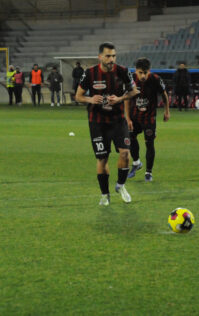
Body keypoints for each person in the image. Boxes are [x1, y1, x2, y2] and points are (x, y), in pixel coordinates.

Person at [75, 42, 139, 206]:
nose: (111, 59)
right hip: (97, 122)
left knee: (125, 153)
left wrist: (120, 98)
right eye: (108, 56)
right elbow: (78, 96)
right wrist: (90, 99)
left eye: (114, 56)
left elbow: (134, 91)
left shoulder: (123, 71)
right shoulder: (89, 73)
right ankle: (105, 194)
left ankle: (121, 186)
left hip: (118, 120)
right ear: (100, 57)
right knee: (102, 159)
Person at [125, 57, 170, 182]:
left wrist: (167, 111)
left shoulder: (155, 79)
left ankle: (148, 172)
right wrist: (127, 118)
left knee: (149, 144)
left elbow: (164, 95)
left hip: (149, 118)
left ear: (149, 71)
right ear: (136, 71)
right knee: (130, 137)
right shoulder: (131, 79)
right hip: (135, 117)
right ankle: (137, 162)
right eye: (140, 72)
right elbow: (127, 99)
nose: (143, 75)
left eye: (145, 72)